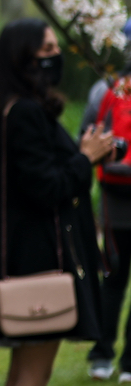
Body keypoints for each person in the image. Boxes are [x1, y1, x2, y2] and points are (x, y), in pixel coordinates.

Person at [0, 18, 115, 386]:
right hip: (39, 257)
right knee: (33, 370)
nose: (56, 56)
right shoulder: (25, 113)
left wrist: (80, 157)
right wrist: (85, 159)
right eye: (46, 50)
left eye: (56, 48)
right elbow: (45, 188)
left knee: (25, 367)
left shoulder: (15, 108)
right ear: (21, 56)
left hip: (29, 251)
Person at [82, 22, 131, 381]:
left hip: (114, 198)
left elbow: (86, 139)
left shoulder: (106, 89)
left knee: (112, 276)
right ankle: (129, 362)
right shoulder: (109, 90)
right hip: (118, 196)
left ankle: (102, 354)